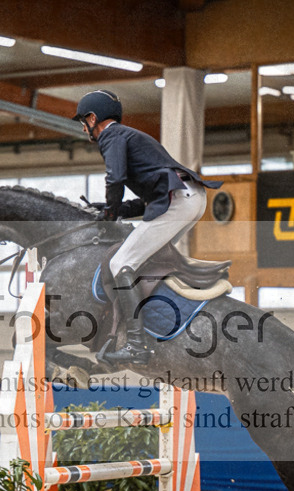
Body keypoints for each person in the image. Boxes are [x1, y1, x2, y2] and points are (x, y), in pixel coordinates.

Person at [73, 89, 222, 365]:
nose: (84, 129)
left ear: (93, 118)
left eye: (84, 122)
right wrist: (113, 209)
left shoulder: (111, 136)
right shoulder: (129, 137)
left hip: (179, 200)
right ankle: (155, 325)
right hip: (190, 197)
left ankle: (136, 345)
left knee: (120, 264)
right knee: (142, 260)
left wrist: (110, 212)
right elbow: (147, 201)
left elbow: (115, 178)